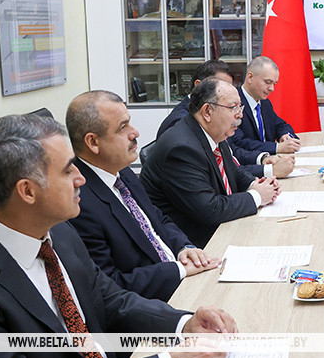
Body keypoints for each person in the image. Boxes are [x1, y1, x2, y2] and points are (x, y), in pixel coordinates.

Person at [0, 113, 236, 358]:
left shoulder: (60, 234)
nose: (81, 179)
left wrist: (184, 324)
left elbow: (110, 300)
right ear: (28, 191)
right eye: (67, 171)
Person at [66, 90, 219, 301]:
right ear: (93, 142)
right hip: (159, 301)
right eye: (123, 127)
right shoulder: (79, 204)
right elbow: (111, 286)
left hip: (183, 275)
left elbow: (157, 218)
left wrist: (184, 248)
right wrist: (178, 270)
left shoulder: (122, 171)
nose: (135, 132)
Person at [141, 79, 280, 247]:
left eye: (240, 107)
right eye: (233, 108)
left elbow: (233, 171)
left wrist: (255, 184)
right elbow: (209, 210)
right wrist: (257, 196)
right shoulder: (182, 149)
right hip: (195, 244)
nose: (240, 115)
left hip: (221, 228)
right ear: (207, 111)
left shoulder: (214, 132)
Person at [157, 60, 294, 179]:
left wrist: (262, 159)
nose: (239, 114)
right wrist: (268, 171)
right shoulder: (180, 124)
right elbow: (217, 175)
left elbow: (230, 153)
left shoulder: (212, 116)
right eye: (221, 87)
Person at [229, 56, 301, 155]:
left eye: (274, 84)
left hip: (273, 160)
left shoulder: (265, 103)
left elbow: (280, 125)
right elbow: (239, 142)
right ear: (250, 78)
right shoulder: (233, 104)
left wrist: (285, 135)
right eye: (268, 82)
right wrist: (277, 147)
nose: (272, 88)